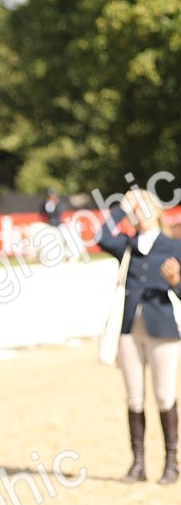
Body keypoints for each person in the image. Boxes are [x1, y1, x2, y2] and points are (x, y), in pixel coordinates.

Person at [97, 188, 181, 485]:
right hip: (130, 329)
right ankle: (138, 463)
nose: (140, 213)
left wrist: (176, 282)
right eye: (137, 209)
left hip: (163, 331)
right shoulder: (127, 245)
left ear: (157, 212)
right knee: (134, 398)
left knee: (164, 395)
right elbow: (101, 236)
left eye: (146, 207)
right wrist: (122, 206)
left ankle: (172, 462)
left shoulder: (174, 246)